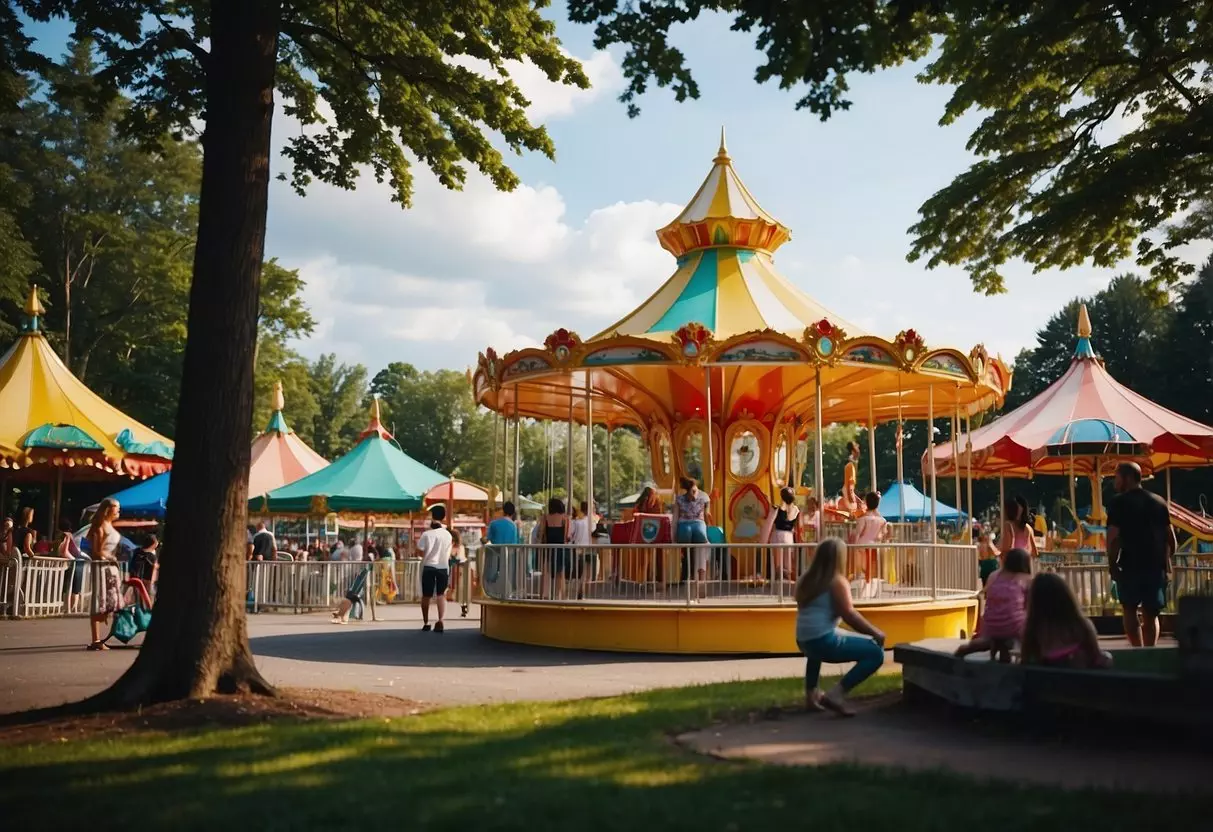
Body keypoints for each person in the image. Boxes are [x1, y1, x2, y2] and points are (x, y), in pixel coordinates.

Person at [794, 537, 887, 716]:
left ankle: (810, 696)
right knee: (875, 653)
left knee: (815, 652)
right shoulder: (836, 581)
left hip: (804, 641)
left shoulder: (806, 579)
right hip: (823, 641)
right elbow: (849, 615)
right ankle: (836, 695)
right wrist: (876, 633)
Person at [1107, 462, 1175, 647]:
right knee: (1151, 613)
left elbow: (1113, 537)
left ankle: (1137, 650)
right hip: (1155, 566)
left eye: (1117, 477)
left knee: (1129, 610)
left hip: (1130, 564)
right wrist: (1166, 560)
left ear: (1127, 478)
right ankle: (1150, 650)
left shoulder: (1118, 503)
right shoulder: (1159, 502)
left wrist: (1112, 563)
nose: (1115, 482)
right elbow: (1171, 539)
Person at [1021, 572, 1112, 669]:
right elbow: (1096, 657)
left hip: (1048, 682)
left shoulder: (1031, 631)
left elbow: (1025, 662)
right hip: (1080, 681)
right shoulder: (1082, 626)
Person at [956, 548, 1031, 663]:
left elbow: (990, 598)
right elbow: (1029, 606)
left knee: (995, 633)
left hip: (990, 626)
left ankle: (972, 649)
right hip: (1014, 627)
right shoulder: (1026, 579)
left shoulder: (994, 576)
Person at [85, 498, 123, 651]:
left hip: (110, 568)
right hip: (101, 567)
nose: (119, 510)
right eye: (116, 507)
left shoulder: (110, 526)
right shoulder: (100, 527)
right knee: (99, 601)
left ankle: (101, 637)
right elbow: (96, 551)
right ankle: (96, 639)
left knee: (111, 601)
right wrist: (111, 558)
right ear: (108, 509)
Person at [416, 506, 453, 632]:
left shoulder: (427, 534)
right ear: (444, 517)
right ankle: (440, 620)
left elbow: (420, 551)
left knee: (426, 595)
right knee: (441, 594)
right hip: (443, 566)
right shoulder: (448, 535)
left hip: (428, 566)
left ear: (432, 516)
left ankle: (426, 622)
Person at [673, 477, 712, 594]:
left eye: (694, 492)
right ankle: (700, 580)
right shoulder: (704, 497)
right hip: (698, 526)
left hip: (685, 525)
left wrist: (673, 535)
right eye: (691, 493)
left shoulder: (679, 499)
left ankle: (687, 578)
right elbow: (707, 514)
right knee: (701, 551)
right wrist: (708, 529)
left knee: (688, 552)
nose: (693, 497)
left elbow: (675, 518)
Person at [764, 487, 801, 580]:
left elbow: (769, 524)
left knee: (778, 564)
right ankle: (787, 584)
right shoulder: (796, 510)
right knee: (787, 563)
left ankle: (778, 584)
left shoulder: (776, 508)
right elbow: (797, 527)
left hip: (777, 536)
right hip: (789, 537)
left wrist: (763, 540)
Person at [849, 492, 888, 580]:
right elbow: (883, 534)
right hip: (875, 546)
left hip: (861, 546)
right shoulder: (882, 520)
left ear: (866, 503)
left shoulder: (863, 519)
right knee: (871, 571)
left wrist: (853, 547)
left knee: (862, 571)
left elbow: (858, 534)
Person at [540, 498, 572, 599]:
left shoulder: (545, 518)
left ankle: (544, 594)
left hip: (548, 547)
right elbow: (566, 536)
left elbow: (542, 534)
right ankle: (561, 595)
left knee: (546, 572)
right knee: (560, 573)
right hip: (560, 547)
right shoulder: (564, 518)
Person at [56, 520, 88, 613]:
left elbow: (59, 551)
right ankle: (71, 609)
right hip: (75, 562)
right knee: (75, 587)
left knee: (67, 586)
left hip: (67, 563)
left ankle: (67, 608)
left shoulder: (59, 536)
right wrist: (73, 558)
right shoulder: (67, 536)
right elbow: (64, 551)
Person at [838, 442, 861, 514]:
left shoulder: (853, 463)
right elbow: (849, 485)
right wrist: (852, 500)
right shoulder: (850, 465)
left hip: (849, 493)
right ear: (853, 451)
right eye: (857, 447)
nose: (859, 450)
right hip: (848, 495)